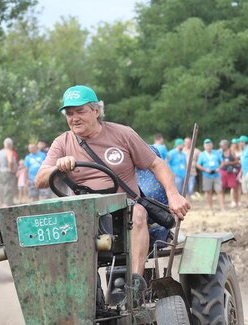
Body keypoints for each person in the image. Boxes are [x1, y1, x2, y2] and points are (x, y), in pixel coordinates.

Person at [34, 85, 189, 300]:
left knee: (138, 213)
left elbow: (156, 164)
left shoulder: (122, 134)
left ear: (95, 111)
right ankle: (71, 294)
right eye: (69, 113)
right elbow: (40, 180)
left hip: (124, 210)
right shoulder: (63, 142)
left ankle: (135, 283)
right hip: (84, 216)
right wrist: (57, 167)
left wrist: (173, 195)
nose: (74, 118)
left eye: (80, 111)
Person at [196, 139, 224, 210]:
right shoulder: (202, 154)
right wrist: (205, 169)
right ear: (204, 146)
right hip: (207, 175)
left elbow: (222, 162)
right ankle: (210, 207)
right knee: (208, 191)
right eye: (207, 145)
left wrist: (219, 168)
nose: (208, 146)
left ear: (212, 145)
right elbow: (198, 165)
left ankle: (222, 207)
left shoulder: (216, 153)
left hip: (216, 174)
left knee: (219, 190)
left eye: (209, 145)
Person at [0, 137, 17, 207]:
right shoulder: (9, 152)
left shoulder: (0, 152)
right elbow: (10, 161)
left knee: (2, 187)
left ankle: (3, 203)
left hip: (2, 172)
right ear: (11, 145)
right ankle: (7, 204)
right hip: (8, 173)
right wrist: (10, 169)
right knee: (8, 188)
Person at [218, 139, 240, 208]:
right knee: (222, 188)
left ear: (226, 145)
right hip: (222, 171)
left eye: (223, 145)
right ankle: (222, 203)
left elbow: (237, 161)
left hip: (230, 171)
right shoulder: (219, 152)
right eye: (221, 146)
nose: (221, 147)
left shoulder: (231, 152)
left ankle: (236, 202)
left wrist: (229, 163)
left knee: (234, 187)